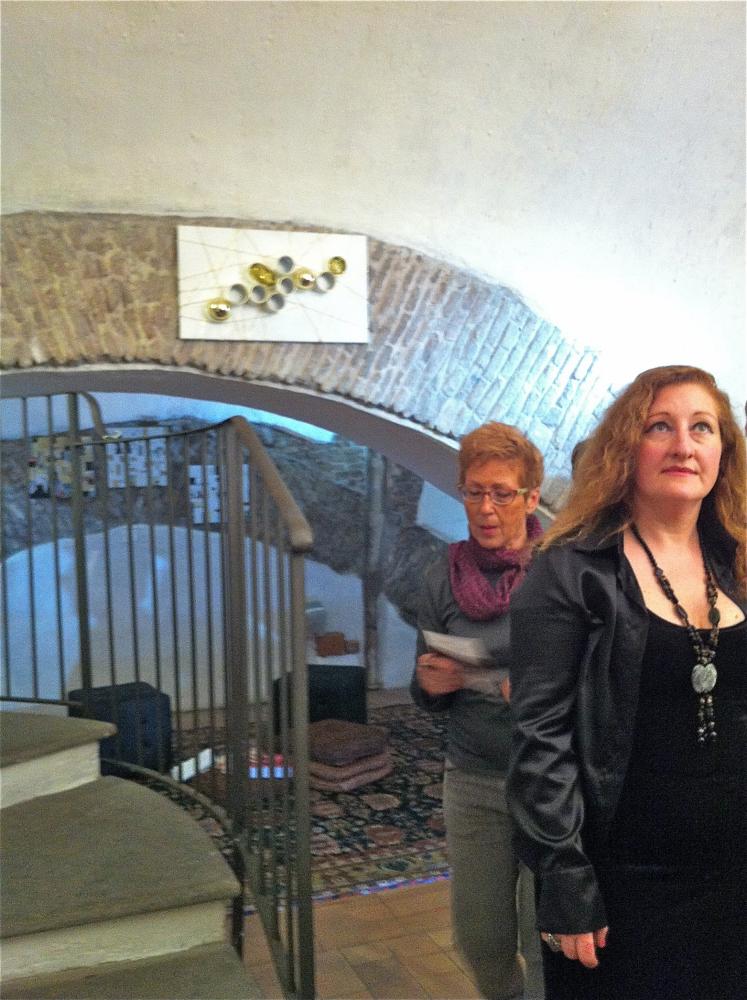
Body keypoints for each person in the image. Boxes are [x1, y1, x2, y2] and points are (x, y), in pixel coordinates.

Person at [507, 365, 746, 1000]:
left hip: (731, 871)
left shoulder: (738, 561)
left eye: (702, 428)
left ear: (723, 452)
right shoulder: (570, 570)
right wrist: (565, 878)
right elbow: (539, 739)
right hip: (620, 879)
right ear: (624, 449)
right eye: (659, 426)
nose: (684, 445)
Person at [411, 421, 545, 1000]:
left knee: (546, 937)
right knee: (481, 939)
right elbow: (422, 683)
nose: (486, 508)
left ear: (531, 498)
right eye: (474, 492)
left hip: (548, 778)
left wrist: (539, 696)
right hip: (472, 777)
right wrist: (430, 684)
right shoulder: (441, 577)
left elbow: (597, 679)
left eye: (502, 493)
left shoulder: (559, 571)